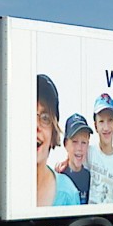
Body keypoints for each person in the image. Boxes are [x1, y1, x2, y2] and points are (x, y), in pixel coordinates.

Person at [36, 74, 80, 207]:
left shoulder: (68, 194)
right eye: (28, 115)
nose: (35, 126)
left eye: (44, 117)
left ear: (53, 132)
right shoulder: (1, 189)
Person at [61, 113, 92, 204]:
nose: (79, 148)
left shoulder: (90, 178)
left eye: (84, 142)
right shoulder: (59, 178)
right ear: (66, 144)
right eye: (74, 142)